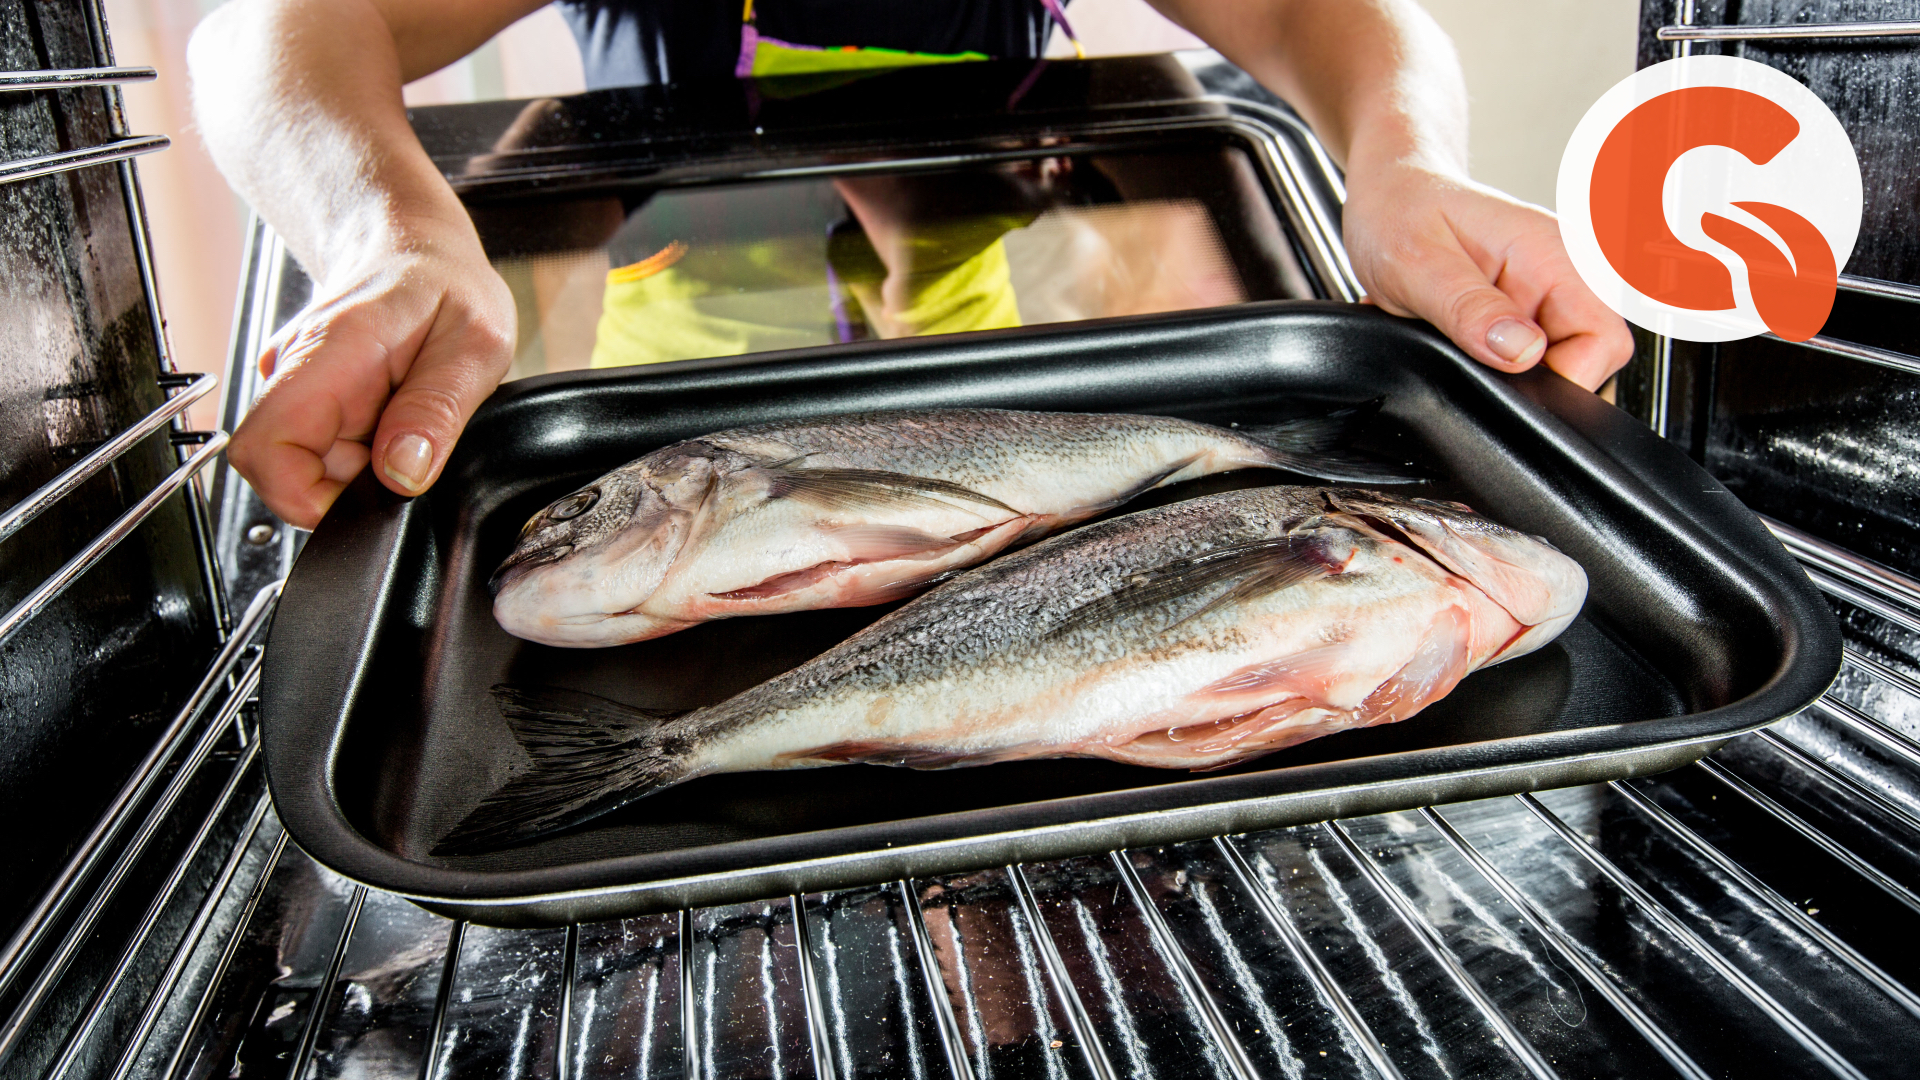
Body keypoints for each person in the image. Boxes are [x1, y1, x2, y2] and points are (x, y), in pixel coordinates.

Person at [189, 0, 1633, 530]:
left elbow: (1331, 16)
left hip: (968, 336)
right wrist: (391, 233)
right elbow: (269, 33)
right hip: (682, 377)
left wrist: (1399, 157)